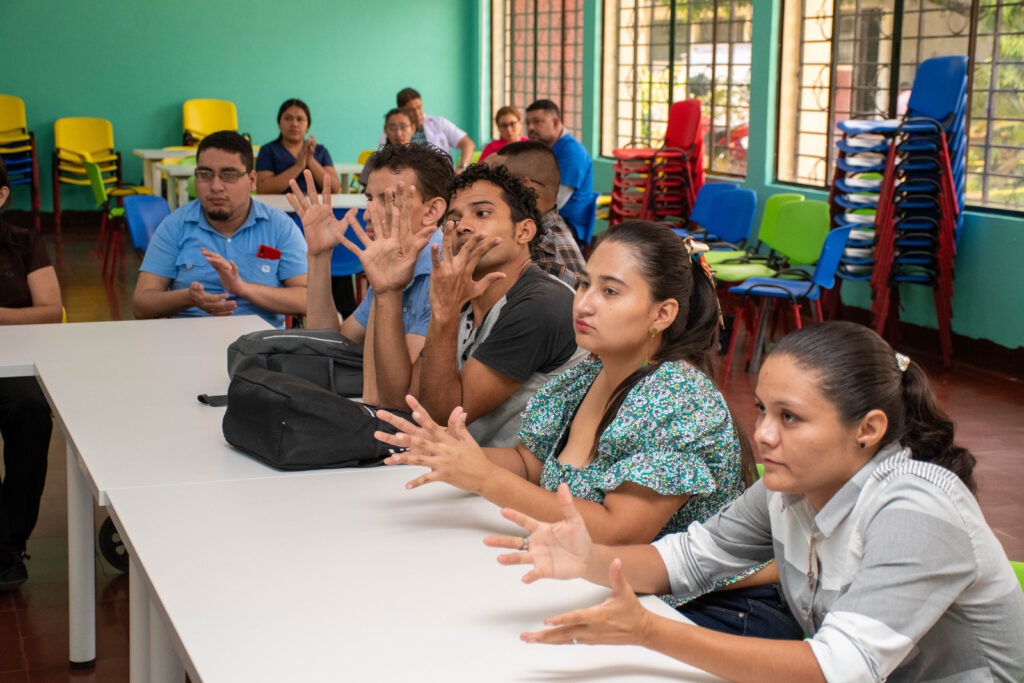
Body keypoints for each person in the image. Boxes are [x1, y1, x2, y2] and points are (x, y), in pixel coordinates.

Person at [489, 321, 1024, 682]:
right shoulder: (791, 489)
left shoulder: (915, 511)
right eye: (764, 410)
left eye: (789, 417)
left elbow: (839, 666)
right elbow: (689, 559)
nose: (763, 434)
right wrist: (587, 560)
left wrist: (650, 631)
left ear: (868, 429)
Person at [376, 221, 799, 638]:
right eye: (583, 285)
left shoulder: (679, 396)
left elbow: (618, 532)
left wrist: (484, 479)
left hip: (709, 610)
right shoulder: (586, 375)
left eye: (610, 291)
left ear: (662, 313)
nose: (584, 303)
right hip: (618, 589)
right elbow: (529, 464)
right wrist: (449, 455)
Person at [372, 163, 583, 446]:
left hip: (522, 483)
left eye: (482, 213)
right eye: (455, 219)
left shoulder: (541, 303)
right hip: (468, 471)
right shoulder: (465, 299)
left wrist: (444, 313)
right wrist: (387, 291)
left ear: (523, 232)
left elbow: (441, 418)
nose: (464, 227)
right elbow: (401, 402)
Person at [289, 144, 452, 404]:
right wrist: (320, 256)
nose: (368, 214)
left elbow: (395, 397)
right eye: (369, 198)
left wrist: (385, 288)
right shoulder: (393, 257)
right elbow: (330, 347)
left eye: (388, 200)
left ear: (432, 211)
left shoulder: (447, 273)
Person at [133, 131, 308, 329]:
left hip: (261, 347)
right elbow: (141, 304)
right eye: (205, 175)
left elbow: (308, 299)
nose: (216, 186)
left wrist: (243, 289)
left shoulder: (280, 227)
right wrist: (188, 298)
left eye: (229, 175)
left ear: (252, 180)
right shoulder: (175, 226)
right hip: (188, 344)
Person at [0, 158, 61, 590]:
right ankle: (2, 549)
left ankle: (11, 540)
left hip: (15, 359)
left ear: (1, 196)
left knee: (30, 413)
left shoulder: (23, 242)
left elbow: (50, 311)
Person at [487, 141, 584, 288]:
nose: (488, 192)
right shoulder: (530, 236)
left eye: (497, 181)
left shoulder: (546, 261)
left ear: (525, 187)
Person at [525, 99, 595, 244]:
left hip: (566, 228)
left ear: (556, 123)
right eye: (528, 123)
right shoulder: (545, 149)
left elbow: (556, 201)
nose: (531, 127)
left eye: (537, 122)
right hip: (546, 220)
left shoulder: (572, 153)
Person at [255, 99, 339, 195]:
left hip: (317, 207)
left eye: (300, 119)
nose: (294, 124)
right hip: (279, 208)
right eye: (287, 118)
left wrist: (310, 160)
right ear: (279, 123)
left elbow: (334, 188)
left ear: (307, 126)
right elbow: (263, 189)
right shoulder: (268, 150)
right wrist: (298, 167)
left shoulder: (320, 151)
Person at [378, 88, 475, 170]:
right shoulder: (392, 133)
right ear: (401, 111)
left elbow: (468, 144)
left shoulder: (439, 123)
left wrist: (461, 168)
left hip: (442, 178)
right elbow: (384, 161)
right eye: (411, 110)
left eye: (419, 107)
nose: (417, 113)